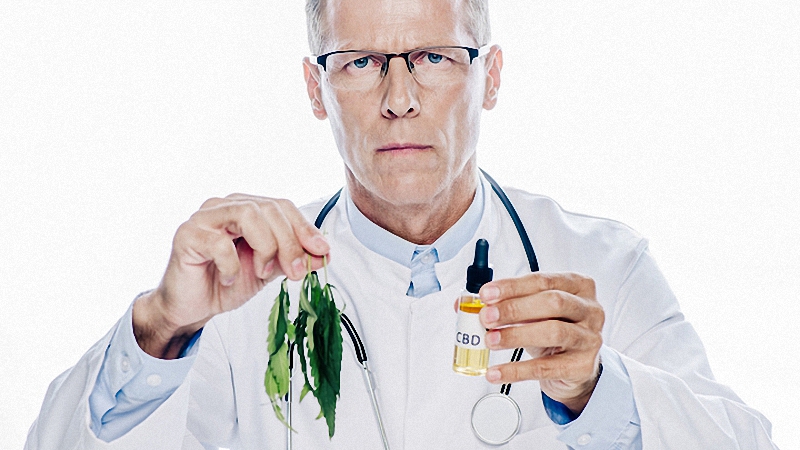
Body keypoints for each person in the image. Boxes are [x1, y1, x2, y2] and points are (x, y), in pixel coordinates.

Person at [26, 0, 777, 448]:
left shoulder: (600, 264)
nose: (400, 97)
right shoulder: (236, 288)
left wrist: (595, 389)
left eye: (433, 57)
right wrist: (160, 327)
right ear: (316, 90)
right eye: (358, 62)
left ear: (492, 76)